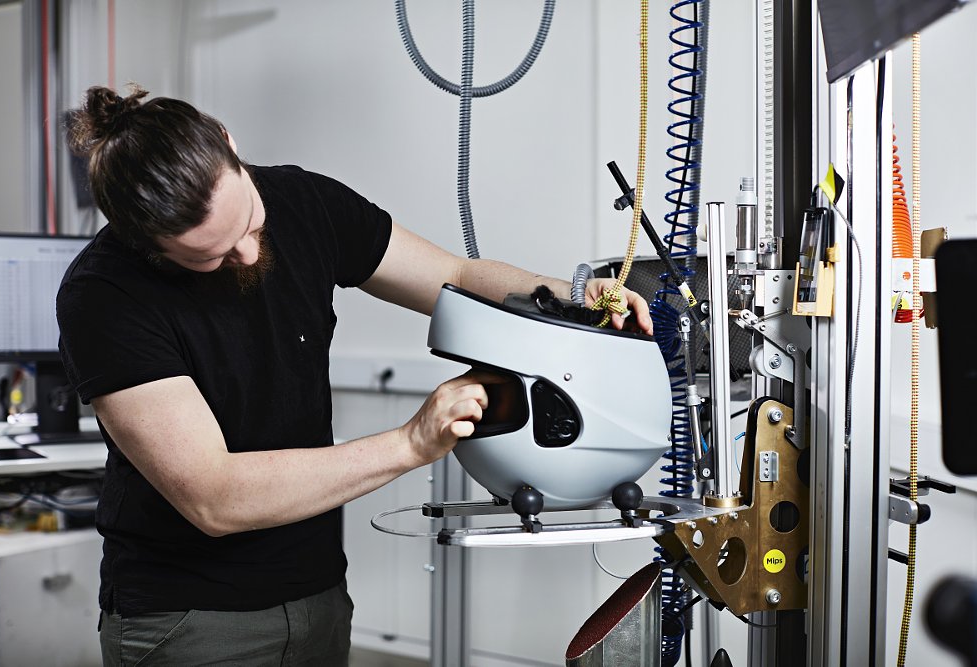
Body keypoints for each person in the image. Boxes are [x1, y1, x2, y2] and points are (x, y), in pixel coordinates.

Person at [58, 84, 654, 666]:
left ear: (228, 143)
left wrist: (575, 297)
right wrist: (410, 443)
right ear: (145, 244)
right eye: (207, 256)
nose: (244, 254)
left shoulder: (303, 201)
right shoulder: (104, 296)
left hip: (317, 596)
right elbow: (215, 497)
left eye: (250, 223)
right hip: (188, 622)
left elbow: (456, 275)